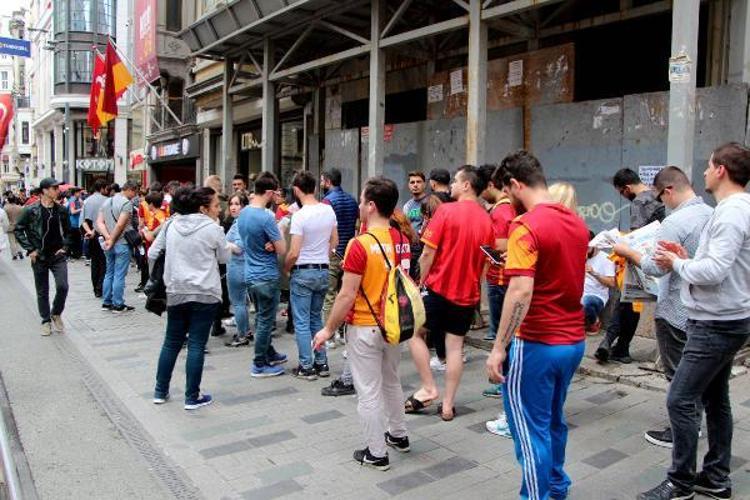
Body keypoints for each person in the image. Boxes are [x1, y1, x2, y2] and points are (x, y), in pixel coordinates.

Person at [638, 144, 750, 500]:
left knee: (680, 399)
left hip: (716, 323)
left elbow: (714, 272)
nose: (704, 172)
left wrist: (677, 264)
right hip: (725, 318)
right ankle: (715, 477)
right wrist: (688, 259)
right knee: (716, 399)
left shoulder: (731, 212)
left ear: (721, 170)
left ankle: (681, 482)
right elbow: (720, 263)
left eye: (709, 165)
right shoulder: (734, 209)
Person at [486, 150, 589, 500]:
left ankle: (536, 495)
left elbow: (520, 290)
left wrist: (498, 348)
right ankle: (556, 485)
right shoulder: (576, 222)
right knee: (552, 421)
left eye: (506, 192)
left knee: (530, 431)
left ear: (516, 185)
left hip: (537, 343)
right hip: (572, 342)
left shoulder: (525, 225)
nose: (506, 201)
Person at [313, 176, 411, 472]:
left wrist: (328, 329)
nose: (359, 205)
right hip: (394, 325)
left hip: (365, 327)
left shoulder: (360, 245)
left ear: (371, 206)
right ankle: (398, 435)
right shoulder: (402, 239)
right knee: (391, 380)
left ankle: (376, 453)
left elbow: (346, 295)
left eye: (361, 200)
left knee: (368, 391)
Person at [613, 166, 712, 452]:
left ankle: (682, 431)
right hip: (702, 309)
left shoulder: (675, 222)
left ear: (668, 191)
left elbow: (654, 267)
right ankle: (695, 423)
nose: (661, 203)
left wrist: (627, 251)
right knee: (695, 374)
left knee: (678, 377)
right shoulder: (711, 214)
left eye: (661, 197)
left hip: (675, 310)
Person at [406, 165, 494, 421]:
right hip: (466, 295)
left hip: (438, 289)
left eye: (456, 180)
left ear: (467, 185)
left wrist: (420, 282)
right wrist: (475, 285)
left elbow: (427, 253)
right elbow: (486, 263)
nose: (452, 184)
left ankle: (428, 387)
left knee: (414, 333)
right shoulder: (486, 220)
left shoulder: (446, 211)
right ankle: (447, 405)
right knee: (455, 348)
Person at [150, 186, 230, 410]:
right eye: (216, 205)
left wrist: (162, 274)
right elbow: (224, 258)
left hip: (176, 290)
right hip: (205, 292)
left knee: (171, 342)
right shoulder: (212, 228)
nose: (218, 209)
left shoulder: (171, 225)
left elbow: (152, 253)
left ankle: (160, 391)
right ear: (201, 207)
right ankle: (191, 397)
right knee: (196, 344)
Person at [595, 167, 665, 364]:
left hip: (639, 260)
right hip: (657, 259)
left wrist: (620, 243)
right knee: (632, 304)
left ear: (626, 188)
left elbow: (637, 235)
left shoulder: (639, 202)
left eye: (621, 192)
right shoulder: (657, 196)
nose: (623, 196)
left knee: (625, 302)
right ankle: (620, 348)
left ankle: (611, 344)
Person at [283, 171, 338, 380]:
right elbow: (335, 240)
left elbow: (294, 251)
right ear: (314, 188)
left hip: (303, 271)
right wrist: (324, 255)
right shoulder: (328, 210)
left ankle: (306, 366)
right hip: (323, 269)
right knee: (316, 318)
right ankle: (321, 362)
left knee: (301, 321)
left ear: (296, 190)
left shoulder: (299, 216)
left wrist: (286, 268)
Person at [238, 171, 289, 378]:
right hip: (266, 275)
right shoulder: (266, 217)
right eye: (275, 193)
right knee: (265, 322)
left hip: (250, 273)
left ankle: (269, 352)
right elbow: (282, 248)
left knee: (261, 317)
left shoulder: (243, 214)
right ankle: (259, 363)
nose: (276, 197)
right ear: (268, 193)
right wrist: (277, 236)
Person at [14, 178, 72, 336]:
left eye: (58, 188)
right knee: (42, 290)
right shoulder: (30, 210)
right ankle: (46, 321)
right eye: (54, 188)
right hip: (39, 256)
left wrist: (65, 248)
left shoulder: (61, 210)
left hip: (57, 255)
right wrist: (30, 249)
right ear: (45, 190)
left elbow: (69, 231)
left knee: (63, 286)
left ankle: (56, 313)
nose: (58, 190)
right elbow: (18, 229)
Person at [97, 180, 138, 313]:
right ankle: (118, 304)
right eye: (134, 192)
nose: (135, 195)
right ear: (130, 190)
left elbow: (99, 222)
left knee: (109, 272)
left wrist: (107, 238)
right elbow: (120, 225)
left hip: (108, 243)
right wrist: (112, 239)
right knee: (119, 274)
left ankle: (106, 302)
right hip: (121, 243)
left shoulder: (107, 201)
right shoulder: (126, 204)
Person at [225, 192, 252, 347]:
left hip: (237, 266)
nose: (233, 207)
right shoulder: (243, 222)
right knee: (243, 302)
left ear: (244, 206)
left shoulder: (239, 224)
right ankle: (246, 330)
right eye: (231, 204)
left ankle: (242, 335)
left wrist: (222, 242)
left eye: (237, 204)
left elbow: (238, 248)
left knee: (238, 303)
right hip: (243, 266)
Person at [81, 180, 109, 298]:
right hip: (103, 234)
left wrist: (89, 231)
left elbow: (83, 220)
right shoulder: (107, 201)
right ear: (102, 188)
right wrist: (95, 230)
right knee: (104, 262)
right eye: (106, 188)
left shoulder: (87, 201)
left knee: (95, 262)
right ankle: (100, 287)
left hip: (91, 236)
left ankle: (96, 288)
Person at [137, 191, 167, 292]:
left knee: (154, 274)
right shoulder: (159, 215)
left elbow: (151, 237)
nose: (146, 205)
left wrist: (144, 231)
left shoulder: (157, 217)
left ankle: (153, 294)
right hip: (153, 249)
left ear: (151, 204)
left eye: (147, 203)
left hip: (154, 250)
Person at [583, 239, 616, 331]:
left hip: (596, 296)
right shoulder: (580, 256)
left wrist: (593, 273)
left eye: (587, 247)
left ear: (594, 244)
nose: (584, 250)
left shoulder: (606, 258)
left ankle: (594, 322)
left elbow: (611, 283)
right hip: (579, 293)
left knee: (585, 302)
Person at [403, 171, 428, 281]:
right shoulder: (407, 206)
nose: (415, 185)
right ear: (408, 185)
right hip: (411, 249)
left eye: (418, 182)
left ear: (424, 184)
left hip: (425, 248)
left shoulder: (429, 202)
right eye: (412, 182)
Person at [3, 195, 23, 259]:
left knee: (12, 242)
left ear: (8, 200)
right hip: (18, 226)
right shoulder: (19, 208)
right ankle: (20, 251)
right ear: (15, 200)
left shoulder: (5, 208)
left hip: (10, 226)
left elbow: (4, 218)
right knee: (18, 241)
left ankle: (14, 254)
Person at [66, 188, 83, 258]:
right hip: (73, 223)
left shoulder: (77, 200)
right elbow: (72, 211)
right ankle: (72, 254)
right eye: (79, 193)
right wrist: (81, 209)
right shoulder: (72, 201)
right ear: (75, 193)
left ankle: (75, 254)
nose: (80, 194)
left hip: (75, 222)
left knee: (76, 239)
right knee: (74, 239)